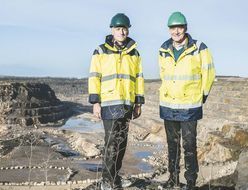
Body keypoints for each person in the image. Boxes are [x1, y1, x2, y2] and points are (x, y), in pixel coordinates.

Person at [158, 11, 215, 190]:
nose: (176, 31)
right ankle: (172, 180)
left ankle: (191, 182)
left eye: (179, 27)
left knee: (189, 147)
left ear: (185, 28)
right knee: (172, 146)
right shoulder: (163, 49)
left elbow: (209, 73)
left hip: (189, 107)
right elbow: (163, 75)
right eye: (173, 28)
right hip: (168, 106)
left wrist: (202, 95)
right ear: (169, 30)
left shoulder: (199, 48)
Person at [88, 13, 145, 189]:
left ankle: (115, 177)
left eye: (124, 28)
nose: (121, 31)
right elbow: (94, 77)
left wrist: (138, 103)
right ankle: (107, 179)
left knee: (121, 143)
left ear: (128, 30)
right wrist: (95, 102)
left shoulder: (134, 53)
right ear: (112, 30)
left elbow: (139, 78)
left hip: (126, 104)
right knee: (111, 143)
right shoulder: (101, 51)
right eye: (118, 28)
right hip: (109, 104)